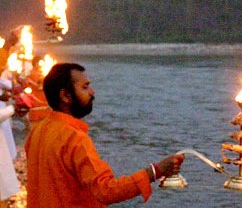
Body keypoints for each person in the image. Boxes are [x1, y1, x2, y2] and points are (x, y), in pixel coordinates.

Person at [25, 63, 185, 208]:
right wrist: (155, 171)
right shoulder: (74, 138)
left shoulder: (37, 132)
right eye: (85, 87)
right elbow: (105, 190)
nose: (92, 92)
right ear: (65, 96)